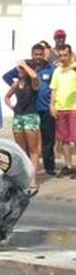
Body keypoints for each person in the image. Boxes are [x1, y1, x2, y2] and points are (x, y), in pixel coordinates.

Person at [3, 42, 56, 175]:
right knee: (28, 143)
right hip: (29, 109)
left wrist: (53, 104)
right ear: (32, 54)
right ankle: (28, 168)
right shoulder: (26, 66)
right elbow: (7, 76)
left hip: (45, 107)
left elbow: (56, 85)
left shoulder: (50, 68)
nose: (38, 56)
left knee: (48, 138)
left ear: (44, 54)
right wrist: (18, 88)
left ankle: (49, 167)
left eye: (40, 54)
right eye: (35, 54)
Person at [4, 58, 43, 189]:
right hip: (18, 117)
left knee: (33, 150)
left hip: (31, 117)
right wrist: (12, 107)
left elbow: (34, 76)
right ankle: (23, 176)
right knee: (21, 149)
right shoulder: (16, 84)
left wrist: (25, 65)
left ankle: (32, 179)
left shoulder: (34, 83)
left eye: (21, 69)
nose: (19, 71)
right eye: (19, 69)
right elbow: (7, 97)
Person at [51, 43, 76, 176]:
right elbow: (53, 90)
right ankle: (68, 165)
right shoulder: (57, 71)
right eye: (60, 55)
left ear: (70, 55)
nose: (63, 57)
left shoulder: (74, 70)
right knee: (64, 139)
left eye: (65, 55)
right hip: (60, 109)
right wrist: (52, 105)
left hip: (73, 109)